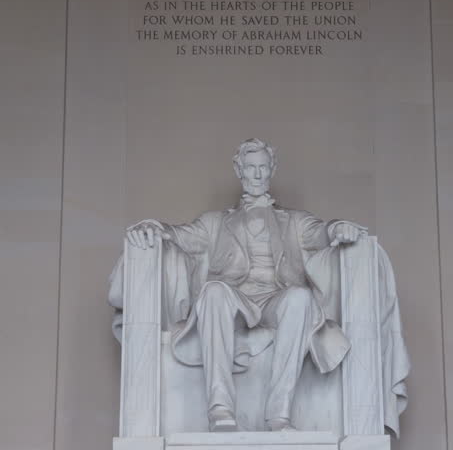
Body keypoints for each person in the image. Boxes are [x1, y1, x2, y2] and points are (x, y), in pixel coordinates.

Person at [127, 138, 365, 432]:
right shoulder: (214, 222)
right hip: (234, 299)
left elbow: (321, 233)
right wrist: (154, 226)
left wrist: (337, 227)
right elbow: (180, 235)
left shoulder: (293, 221)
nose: (256, 175)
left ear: (272, 169)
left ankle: (279, 414)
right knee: (212, 292)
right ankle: (220, 409)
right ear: (238, 170)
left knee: (301, 298)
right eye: (250, 168)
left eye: (263, 167)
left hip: (276, 299)